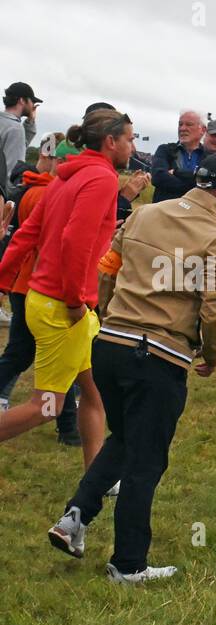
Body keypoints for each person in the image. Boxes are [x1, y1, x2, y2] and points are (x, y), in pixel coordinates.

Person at [46, 153, 216, 585]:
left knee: (125, 439)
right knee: (147, 462)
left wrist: (110, 316)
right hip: (157, 355)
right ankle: (128, 564)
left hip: (110, 344)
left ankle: (75, 517)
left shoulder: (142, 215)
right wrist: (213, 353)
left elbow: (107, 270)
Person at [0, 108, 136, 469]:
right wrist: (76, 301)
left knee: (93, 392)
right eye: (130, 138)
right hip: (64, 307)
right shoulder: (102, 179)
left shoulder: (64, 176)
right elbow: (74, 242)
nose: (133, 146)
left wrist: (1, 279)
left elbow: (28, 232)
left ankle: (95, 479)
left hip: (46, 300)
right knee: (46, 407)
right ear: (111, 142)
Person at [0, 135, 81, 443]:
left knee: (35, 357)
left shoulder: (38, 191)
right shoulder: (45, 194)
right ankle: (67, 428)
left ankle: (68, 428)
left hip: (31, 285)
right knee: (33, 357)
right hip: (40, 288)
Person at [150, 110, 209, 204]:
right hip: (165, 213)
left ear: (203, 130)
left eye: (189, 124)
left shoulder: (208, 158)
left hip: (194, 216)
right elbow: (158, 178)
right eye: (180, 124)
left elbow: (209, 185)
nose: (182, 128)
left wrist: (176, 173)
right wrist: (195, 185)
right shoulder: (165, 150)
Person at [1, 82, 40, 197]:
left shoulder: (7, 124)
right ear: (22, 100)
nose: (33, 105)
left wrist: (30, 121)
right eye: (32, 100)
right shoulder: (15, 129)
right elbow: (13, 172)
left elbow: (18, 146)